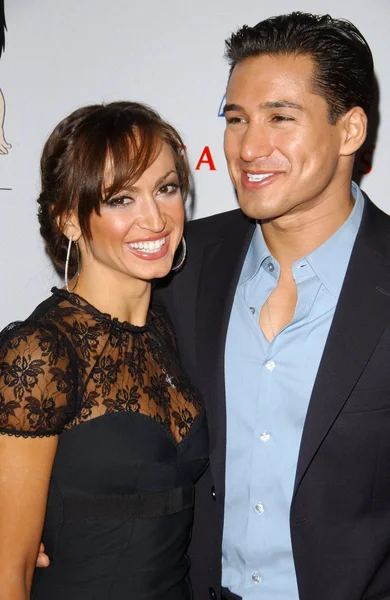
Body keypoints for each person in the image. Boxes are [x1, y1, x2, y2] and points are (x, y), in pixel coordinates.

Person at [153, 11, 390, 600]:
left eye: (280, 118)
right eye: (236, 120)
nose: (249, 147)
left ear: (350, 130)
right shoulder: (175, 264)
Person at [0, 101, 208, 599]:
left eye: (166, 188)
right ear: (69, 218)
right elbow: (10, 569)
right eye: (121, 199)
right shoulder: (41, 353)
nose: (155, 218)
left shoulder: (166, 331)